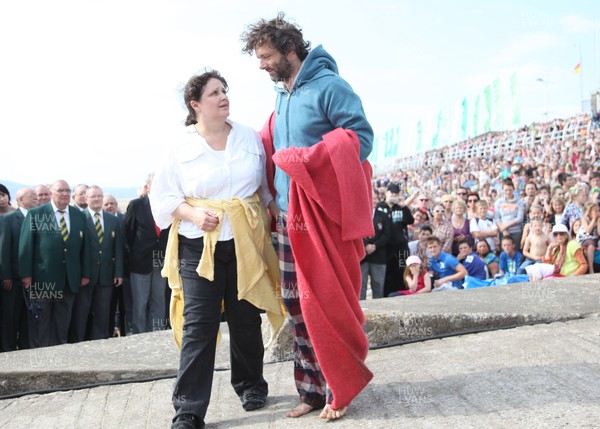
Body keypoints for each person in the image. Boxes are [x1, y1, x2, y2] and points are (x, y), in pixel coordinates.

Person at [242, 12, 374, 420]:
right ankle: (311, 390)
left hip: (319, 220)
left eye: (265, 56)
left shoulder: (331, 86)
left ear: (289, 50)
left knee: (328, 306)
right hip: (286, 219)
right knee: (298, 309)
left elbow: (361, 140)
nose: (261, 64)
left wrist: (307, 159)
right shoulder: (281, 92)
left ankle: (341, 387)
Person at [150, 70, 283, 429]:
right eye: (214, 93)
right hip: (198, 245)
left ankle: (251, 385)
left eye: (225, 90)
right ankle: (189, 409)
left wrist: (276, 212)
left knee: (245, 317)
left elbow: (263, 187)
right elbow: (164, 199)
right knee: (199, 325)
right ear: (195, 105)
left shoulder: (250, 138)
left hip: (246, 240)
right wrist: (193, 213)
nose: (223, 96)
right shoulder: (179, 146)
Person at [18, 180, 91, 348]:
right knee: (41, 323)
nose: (65, 193)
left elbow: (85, 248)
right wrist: (26, 274)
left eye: (67, 190)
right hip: (43, 279)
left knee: (62, 322)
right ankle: (41, 358)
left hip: (69, 279)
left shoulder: (78, 215)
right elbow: (26, 247)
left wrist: (85, 273)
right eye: (60, 190)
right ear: (51, 193)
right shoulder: (36, 214)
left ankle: (60, 354)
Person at [70, 185, 124, 341]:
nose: (97, 199)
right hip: (85, 276)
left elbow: (117, 249)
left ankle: (100, 341)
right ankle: (78, 341)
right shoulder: (79, 218)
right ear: (86, 199)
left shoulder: (112, 220)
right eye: (93, 196)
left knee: (103, 311)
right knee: (82, 312)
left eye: (99, 196)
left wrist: (118, 272)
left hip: (106, 275)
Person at [122, 174, 169, 334]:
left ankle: (157, 333)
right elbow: (127, 233)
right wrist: (132, 256)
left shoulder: (168, 205)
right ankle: (139, 335)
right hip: (140, 263)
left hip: (161, 262)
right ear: (148, 187)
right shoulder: (136, 205)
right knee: (140, 302)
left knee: (159, 301)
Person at [0, 188, 38, 351]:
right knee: (10, 317)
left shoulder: (39, 218)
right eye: (32, 196)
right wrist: (6, 276)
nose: (36, 198)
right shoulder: (9, 219)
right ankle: (7, 349)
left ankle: (25, 347)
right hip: (13, 280)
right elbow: (4, 249)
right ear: (20, 200)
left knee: (28, 317)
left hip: (34, 279)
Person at [377, 183, 415, 298]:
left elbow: (410, 220)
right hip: (386, 247)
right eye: (392, 193)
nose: (394, 195)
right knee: (387, 273)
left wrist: (403, 206)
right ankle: (387, 296)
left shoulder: (400, 207)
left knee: (403, 271)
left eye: (396, 193)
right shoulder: (380, 207)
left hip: (401, 246)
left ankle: (404, 293)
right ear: (387, 193)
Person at [360, 193, 391, 300]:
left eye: (374, 199)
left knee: (378, 286)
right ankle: (361, 312)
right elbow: (355, 233)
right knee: (361, 286)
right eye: (369, 198)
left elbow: (387, 234)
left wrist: (375, 246)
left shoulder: (383, 215)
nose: (372, 200)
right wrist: (365, 245)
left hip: (378, 255)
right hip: (362, 256)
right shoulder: (358, 214)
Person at [494, 179, 525, 251]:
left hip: (516, 231)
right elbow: (497, 217)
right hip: (503, 232)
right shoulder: (499, 202)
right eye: (506, 190)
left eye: (510, 190)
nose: (508, 192)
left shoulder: (519, 202)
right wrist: (503, 229)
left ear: (513, 189)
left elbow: (519, 218)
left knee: (516, 251)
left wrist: (506, 226)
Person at [576, 201, 599, 274]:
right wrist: (594, 219)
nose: (598, 212)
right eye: (595, 211)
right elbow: (588, 230)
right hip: (585, 238)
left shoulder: (598, 219)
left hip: (594, 238)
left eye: (598, 210)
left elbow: (599, 232)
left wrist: (598, 221)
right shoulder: (584, 219)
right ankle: (591, 268)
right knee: (591, 245)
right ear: (589, 212)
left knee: (593, 243)